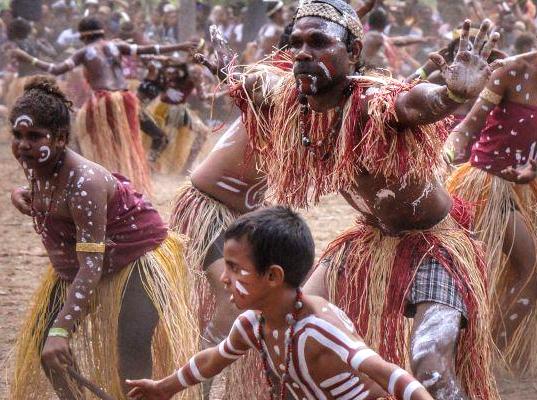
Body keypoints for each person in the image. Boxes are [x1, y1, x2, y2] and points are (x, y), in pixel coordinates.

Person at [226, 0, 500, 398]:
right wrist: (237, 77)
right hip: (367, 241)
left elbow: (413, 103)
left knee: (430, 367)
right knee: (285, 326)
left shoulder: (374, 101)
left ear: (352, 52)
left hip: (434, 245)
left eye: (318, 42)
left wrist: (451, 95)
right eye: (296, 43)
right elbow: (253, 84)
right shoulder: (293, 101)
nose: (304, 52)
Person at [8, 76, 198, 400]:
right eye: (18, 135)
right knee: (47, 349)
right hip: (85, 264)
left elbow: (91, 264)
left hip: (136, 262)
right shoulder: (36, 164)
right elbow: (53, 198)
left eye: (35, 136)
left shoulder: (86, 183)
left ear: (60, 138)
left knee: (131, 353)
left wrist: (61, 330)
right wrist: (22, 193)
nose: (24, 145)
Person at [126, 206, 434, 400]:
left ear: (273, 276)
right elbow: (213, 358)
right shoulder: (253, 324)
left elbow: (388, 373)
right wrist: (165, 387)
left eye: (235, 268)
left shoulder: (319, 329)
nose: (224, 278)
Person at [12, 16, 199, 194]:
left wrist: (28, 58)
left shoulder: (83, 51)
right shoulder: (116, 45)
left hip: (102, 102)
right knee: (127, 140)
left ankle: (79, 177)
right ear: (102, 32)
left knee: (82, 138)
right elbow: (150, 48)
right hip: (125, 99)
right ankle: (124, 177)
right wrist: (180, 46)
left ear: (83, 36)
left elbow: (56, 69)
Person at [445, 50, 537, 375]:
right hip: (485, 184)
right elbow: (468, 127)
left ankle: (488, 354)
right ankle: (482, 354)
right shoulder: (512, 71)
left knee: (515, 271)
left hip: (522, 188)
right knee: (529, 267)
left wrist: (532, 170)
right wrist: (446, 154)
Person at [143, 56, 210, 174]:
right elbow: (202, 97)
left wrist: (165, 89)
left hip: (161, 107)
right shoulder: (196, 70)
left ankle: (152, 165)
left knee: (163, 137)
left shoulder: (175, 62)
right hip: (175, 110)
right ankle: (186, 169)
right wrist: (223, 92)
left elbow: (152, 67)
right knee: (202, 132)